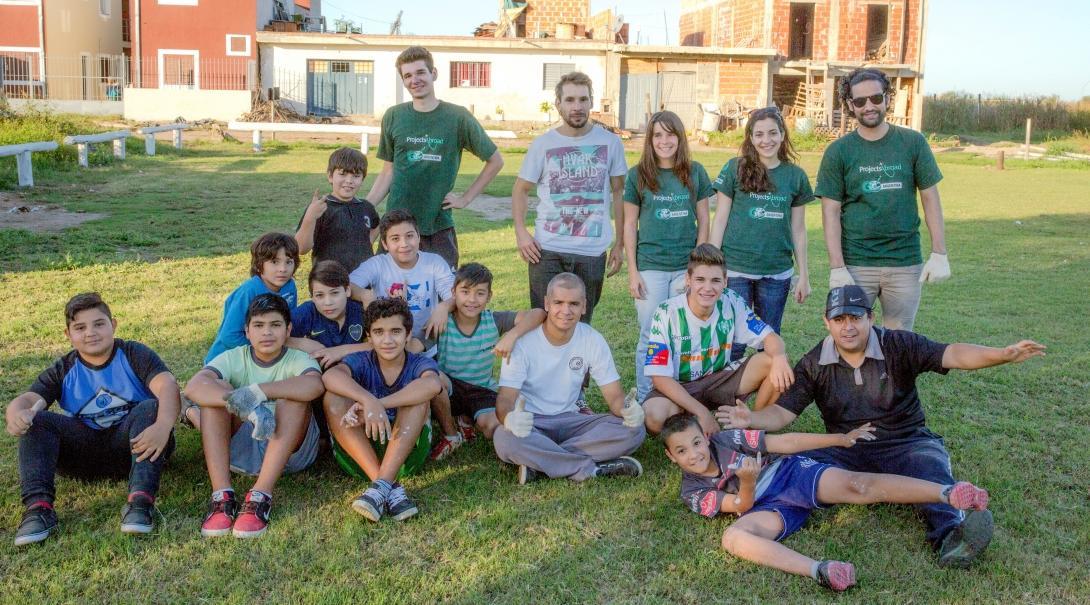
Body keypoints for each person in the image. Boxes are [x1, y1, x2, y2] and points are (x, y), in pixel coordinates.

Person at [719, 285, 1046, 567]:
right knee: (800, 471)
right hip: (846, 447)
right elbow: (782, 414)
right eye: (839, 320)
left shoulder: (899, 345)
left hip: (906, 440)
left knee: (929, 467)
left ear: (870, 318)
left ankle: (952, 536)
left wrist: (1001, 354)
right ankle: (771, 517)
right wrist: (753, 419)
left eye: (855, 318)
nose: (848, 327)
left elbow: (954, 354)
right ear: (827, 323)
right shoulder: (814, 362)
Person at [660, 413, 991, 592]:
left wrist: (839, 439)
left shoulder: (725, 439)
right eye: (682, 451)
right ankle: (821, 570)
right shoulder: (692, 492)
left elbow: (785, 441)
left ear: (705, 437)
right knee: (732, 537)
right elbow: (742, 507)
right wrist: (747, 482)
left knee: (857, 485)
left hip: (787, 474)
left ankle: (946, 493)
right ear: (671, 457)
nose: (694, 454)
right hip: (761, 506)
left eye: (696, 443)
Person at [7, 293, 179, 545]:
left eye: (99, 324)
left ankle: (140, 502)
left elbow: (169, 386)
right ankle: (38, 510)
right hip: (85, 456)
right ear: (68, 335)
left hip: (137, 446)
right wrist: (18, 415)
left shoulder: (133, 353)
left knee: (150, 407)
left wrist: (164, 426)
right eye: (80, 327)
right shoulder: (64, 369)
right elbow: (27, 400)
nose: (91, 333)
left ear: (113, 325)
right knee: (38, 419)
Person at [817, 68, 948, 331]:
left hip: (904, 261)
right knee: (851, 337)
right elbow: (830, 212)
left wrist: (939, 252)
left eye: (876, 98)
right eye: (860, 101)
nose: (869, 106)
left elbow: (930, 198)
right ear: (850, 105)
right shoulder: (838, 151)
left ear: (887, 98)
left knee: (899, 340)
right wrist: (837, 267)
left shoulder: (913, 142)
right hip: (856, 263)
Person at [184, 294, 325, 538]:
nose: (267, 333)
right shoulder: (235, 356)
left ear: (288, 329)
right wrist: (247, 407)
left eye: (275, 325)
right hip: (241, 450)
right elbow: (194, 386)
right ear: (247, 331)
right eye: (259, 326)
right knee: (215, 398)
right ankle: (222, 497)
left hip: (291, 451)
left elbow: (314, 386)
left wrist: (257, 392)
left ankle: (260, 496)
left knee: (293, 397)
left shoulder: (298, 358)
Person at [492, 273, 646, 484]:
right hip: (532, 422)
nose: (566, 311)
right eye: (558, 302)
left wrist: (628, 410)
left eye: (573, 303)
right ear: (547, 303)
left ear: (584, 306)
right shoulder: (522, 342)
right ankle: (588, 468)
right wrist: (510, 418)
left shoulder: (592, 339)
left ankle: (542, 462)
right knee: (504, 439)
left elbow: (615, 397)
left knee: (635, 430)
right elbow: (505, 401)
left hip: (573, 420)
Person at [365, 46, 504, 268]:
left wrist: (465, 199)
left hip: (437, 225)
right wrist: (365, 206)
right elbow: (389, 170)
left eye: (420, 72)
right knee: (390, 296)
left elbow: (495, 161)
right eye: (408, 75)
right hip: (396, 227)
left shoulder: (457, 117)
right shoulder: (394, 116)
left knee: (444, 295)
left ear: (434, 74)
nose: (415, 80)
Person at [641, 244, 795, 436]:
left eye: (715, 280)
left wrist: (780, 356)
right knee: (653, 418)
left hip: (718, 380)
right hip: (680, 386)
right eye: (700, 279)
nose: (708, 288)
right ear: (688, 280)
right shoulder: (666, 312)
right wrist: (702, 411)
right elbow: (660, 378)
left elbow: (771, 337)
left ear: (725, 281)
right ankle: (693, 420)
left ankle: (751, 425)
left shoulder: (732, 300)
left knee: (774, 362)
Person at [513, 71, 628, 325]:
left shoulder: (610, 143)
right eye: (570, 100)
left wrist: (619, 243)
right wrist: (521, 232)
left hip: (592, 252)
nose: (577, 107)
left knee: (581, 324)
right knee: (543, 322)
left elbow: (620, 192)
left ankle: (578, 366)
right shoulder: (543, 144)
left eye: (583, 100)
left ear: (591, 102)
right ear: (558, 104)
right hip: (547, 251)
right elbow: (520, 189)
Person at [321, 297, 442, 522]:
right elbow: (330, 376)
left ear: (408, 336)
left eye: (395, 331)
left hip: (405, 459)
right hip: (359, 460)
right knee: (333, 398)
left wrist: (379, 404)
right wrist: (367, 399)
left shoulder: (417, 363)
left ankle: (381, 485)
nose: (387, 340)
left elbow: (433, 385)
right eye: (379, 332)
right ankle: (386, 486)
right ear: (369, 336)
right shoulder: (361, 360)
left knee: (418, 399)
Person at [709, 107, 814, 362]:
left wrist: (804, 277)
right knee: (732, 340)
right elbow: (720, 218)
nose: (766, 140)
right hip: (735, 270)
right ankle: (726, 398)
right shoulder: (735, 168)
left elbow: (799, 230)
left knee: (768, 342)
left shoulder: (795, 176)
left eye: (772, 133)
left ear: (782, 135)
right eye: (759, 134)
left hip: (776, 273)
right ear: (750, 138)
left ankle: (762, 399)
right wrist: (712, 266)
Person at [623, 110, 713, 402]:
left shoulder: (695, 171)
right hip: (651, 267)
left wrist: (696, 267)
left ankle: (681, 394)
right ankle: (646, 397)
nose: (664, 141)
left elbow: (704, 221)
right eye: (657, 135)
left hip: (685, 268)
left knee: (684, 334)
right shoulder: (637, 175)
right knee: (651, 334)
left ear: (680, 137)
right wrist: (633, 272)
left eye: (670, 133)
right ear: (649, 140)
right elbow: (629, 225)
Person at [348, 209, 460, 442]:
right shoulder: (378, 264)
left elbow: (456, 293)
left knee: (440, 386)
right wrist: (366, 295)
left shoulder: (434, 262)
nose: (404, 244)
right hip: (388, 350)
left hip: (423, 347)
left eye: (410, 236)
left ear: (419, 237)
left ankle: (446, 430)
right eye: (395, 239)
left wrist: (443, 306)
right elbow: (347, 285)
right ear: (385, 244)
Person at [430, 262, 546, 458]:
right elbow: (419, 348)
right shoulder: (442, 321)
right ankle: (451, 433)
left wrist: (512, 335)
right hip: (450, 388)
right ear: (454, 293)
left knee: (492, 427)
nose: (472, 300)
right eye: (465, 292)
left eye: (480, 293)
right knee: (433, 377)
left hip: (481, 390)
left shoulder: (493, 320)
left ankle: (467, 419)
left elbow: (539, 313)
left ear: (489, 296)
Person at [205, 232, 299, 364]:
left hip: (267, 356)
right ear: (259, 264)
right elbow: (230, 336)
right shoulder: (248, 291)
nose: (283, 269)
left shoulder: (290, 287)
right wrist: (266, 351)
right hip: (228, 359)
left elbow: (288, 325)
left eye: (289, 262)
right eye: (274, 262)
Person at [295, 147, 380, 274]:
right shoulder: (321, 208)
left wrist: (366, 244)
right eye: (342, 174)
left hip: (364, 280)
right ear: (330, 176)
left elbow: (377, 225)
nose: (349, 181)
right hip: (329, 282)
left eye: (356, 176)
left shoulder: (366, 207)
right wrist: (310, 217)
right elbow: (301, 248)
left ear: (362, 179)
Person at [287, 260, 369, 370]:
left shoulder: (360, 311)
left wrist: (341, 351)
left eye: (334, 293)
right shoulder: (308, 312)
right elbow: (269, 335)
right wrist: (301, 343)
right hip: (316, 376)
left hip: (354, 373)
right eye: (319, 295)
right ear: (312, 297)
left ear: (347, 291)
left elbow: (381, 344)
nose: (328, 302)